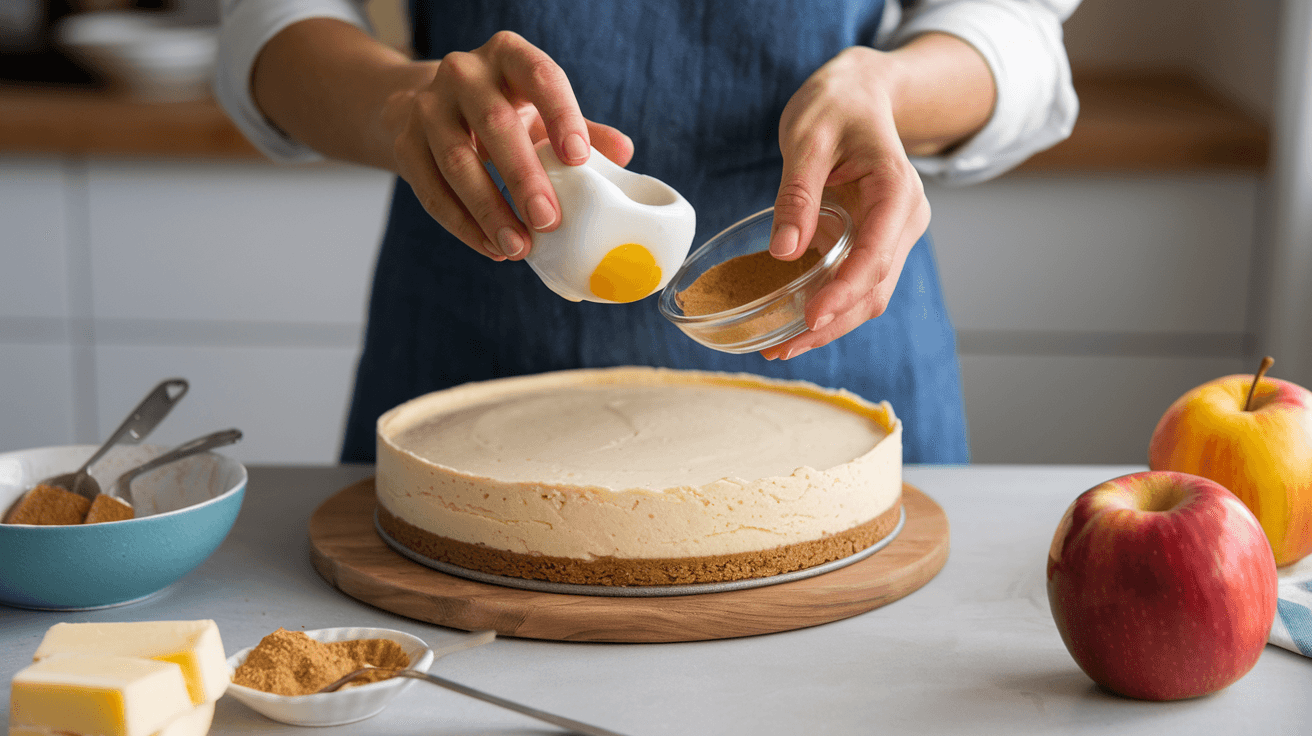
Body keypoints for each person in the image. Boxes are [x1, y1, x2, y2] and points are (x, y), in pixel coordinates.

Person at [215, 0, 1080, 464]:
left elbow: (1017, 27)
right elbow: (268, 20)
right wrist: (406, 107)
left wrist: (887, 87)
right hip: (473, 355)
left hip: (831, 335)